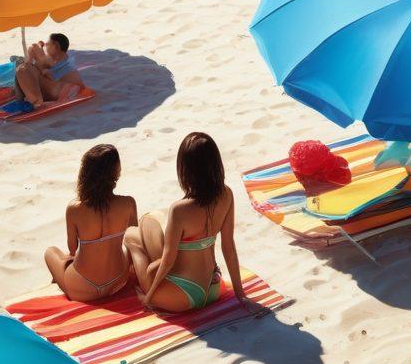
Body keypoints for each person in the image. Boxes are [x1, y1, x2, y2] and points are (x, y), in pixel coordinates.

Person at [123, 132, 247, 312]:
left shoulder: (179, 209)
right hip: (213, 288)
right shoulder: (226, 194)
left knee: (133, 239)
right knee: (154, 238)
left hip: (182, 295)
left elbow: (168, 261)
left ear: (185, 169)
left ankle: (133, 248)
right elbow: (229, 247)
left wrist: (148, 297)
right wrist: (239, 292)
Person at [44, 145, 138, 301]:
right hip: (118, 281)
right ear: (116, 171)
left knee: (51, 252)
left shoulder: (74, 209)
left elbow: (72, 249)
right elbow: (135, 243)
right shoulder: (128, 203)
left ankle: (62, 279)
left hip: (83, 287)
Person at [15, 32, 84, 111]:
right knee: (26, 68)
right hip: (68, 89)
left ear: (56, 46)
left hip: (62, 91)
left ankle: (37, 103)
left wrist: (31, 61)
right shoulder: (65, 59)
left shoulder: (54, 62)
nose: (46, 46)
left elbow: (47, 74)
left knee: (22, 69)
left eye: (47, 44)